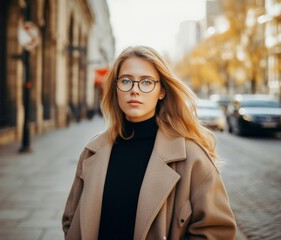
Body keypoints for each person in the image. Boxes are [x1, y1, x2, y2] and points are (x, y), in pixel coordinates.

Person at [62, 46, 237, 239]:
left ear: (161, 91)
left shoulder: (191, 156)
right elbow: (71, 219)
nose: (135, 90)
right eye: (126, 81)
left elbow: (217, 231)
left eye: (146, 82)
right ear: (116, 88)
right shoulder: (93, 150)